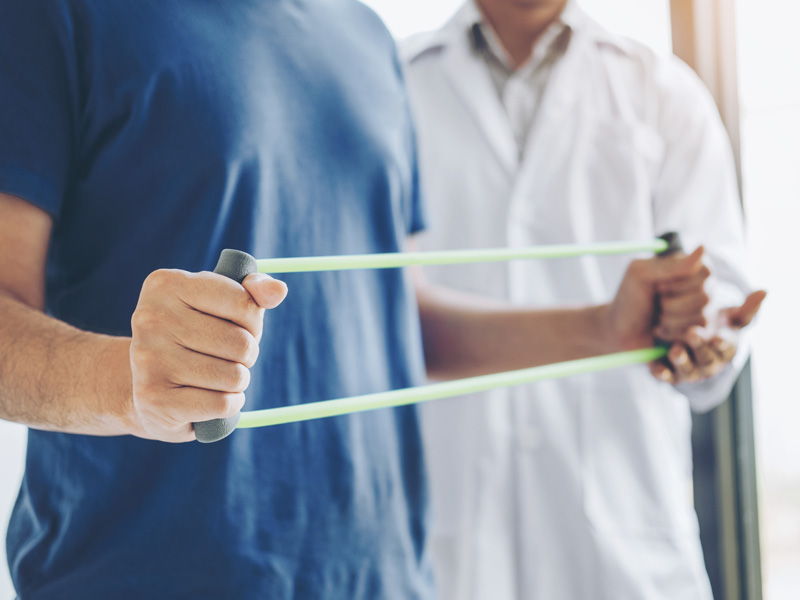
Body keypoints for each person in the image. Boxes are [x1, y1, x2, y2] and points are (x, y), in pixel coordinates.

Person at [0, 0, 722, 598]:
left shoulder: (365, 36)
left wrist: (604, 327)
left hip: (383, 578)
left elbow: (394, 323)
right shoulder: (52, 14)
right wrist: (127, 385)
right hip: (139, 579)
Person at [402, 1, 765, 599]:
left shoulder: (662, 91)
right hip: (450, 549)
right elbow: (375, 319)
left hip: (626, 550)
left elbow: (718, 294)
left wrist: (703, 333)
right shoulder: (397, 83)